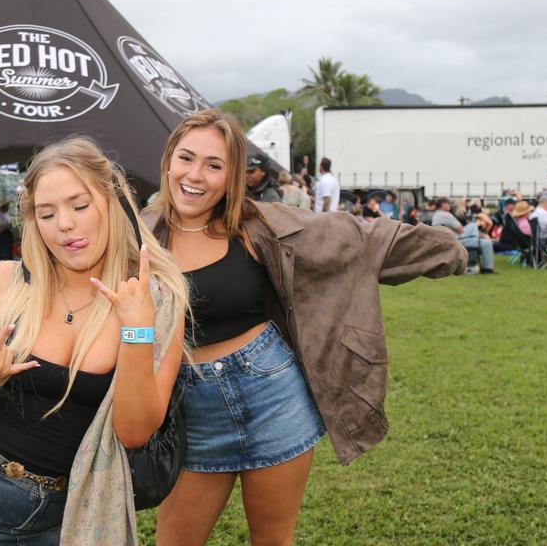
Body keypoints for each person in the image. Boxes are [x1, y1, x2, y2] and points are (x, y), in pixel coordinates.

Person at [146, 110, 465, 546]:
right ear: (168, 161)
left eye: (214, 165)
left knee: (274, 541)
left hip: (273, 398)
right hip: (193, 413)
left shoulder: (259, 226)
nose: (195, 175)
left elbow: (355, 239)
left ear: (233, 175)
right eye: (186, 158)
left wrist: (447, 250)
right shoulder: (139, 236)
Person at [0, 137, 188, 544]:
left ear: (112, 202)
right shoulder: (3, 283)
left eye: (80, 206)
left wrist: (136, 329)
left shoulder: (157, 299)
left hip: (67, 516)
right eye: (47, 213)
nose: (64, 225)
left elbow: (134, 432)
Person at [431, 197, 497, 275]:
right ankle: (487, 269)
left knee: (477, 234)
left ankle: (479, 236)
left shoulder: (436, 215)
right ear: (443, 204)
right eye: (448, 203)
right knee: (486, 242)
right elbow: (460, 230)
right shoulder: (446, 215)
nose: (450, 205)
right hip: (454, 241)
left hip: (445, 241)